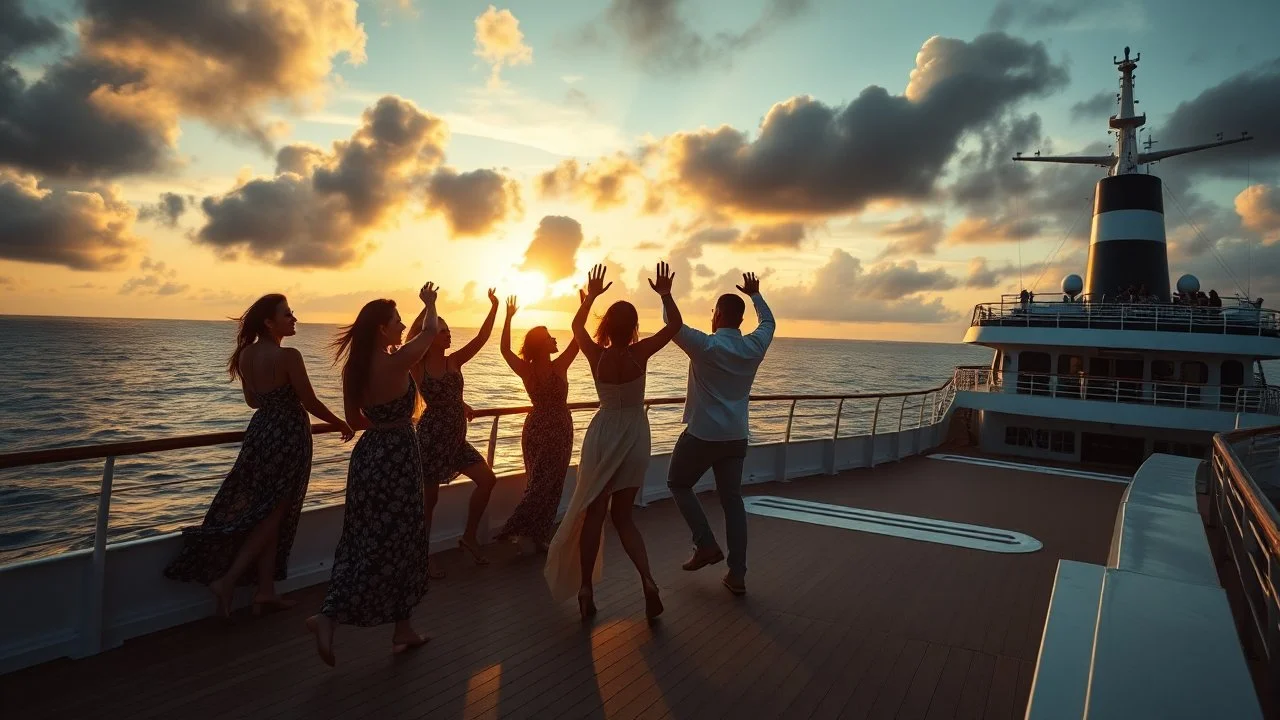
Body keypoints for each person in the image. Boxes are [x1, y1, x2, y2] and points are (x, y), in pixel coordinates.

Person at [164, 294, 353, 618]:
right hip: (288, 435)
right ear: (269, 321)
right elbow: (310, 402)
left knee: (267, 511)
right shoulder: (289, 356)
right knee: (276, 512)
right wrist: (340, 423)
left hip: (261, 432)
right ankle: (229, 580)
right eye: (287, 314)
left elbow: (253, 401)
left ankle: (265, 591)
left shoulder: (245, 355)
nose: (294, 318)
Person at [305, 284, 439, 667]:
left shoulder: (356, 367)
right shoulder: (393, 362)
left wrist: (380, 424)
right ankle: (336, 618)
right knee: (400, 539)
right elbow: (428, 334)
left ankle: (397, 626)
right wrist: (430, 304)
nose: (401, 327)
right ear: (382, 328)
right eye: (396, 321)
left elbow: (352, 420)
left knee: (363, 539)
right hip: (397, 454)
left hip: (368, 457)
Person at [544, 263, 682, 621]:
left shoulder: (596, 354)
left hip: (603, 433)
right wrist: (665, 294)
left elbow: (576, 327)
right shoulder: (641, 353)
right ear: (634, 327)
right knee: (624, 518)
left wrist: (589, 297)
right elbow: (675, 327)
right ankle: (648, 582)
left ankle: (586, 588)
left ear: (607, 326)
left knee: (594, 515)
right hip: (635, 435)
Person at [665, 273, 775, 596]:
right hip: (735, 436)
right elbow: (768, 322)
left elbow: (673, 326)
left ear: (721, 315)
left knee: (678, 483)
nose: (710, 317)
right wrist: (756, 295)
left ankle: (706, 544)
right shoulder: (753, 346)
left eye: (713, 311)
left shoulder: (706, 346)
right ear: (740, 319)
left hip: (702, 434)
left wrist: (666, 295)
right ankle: (737, 574)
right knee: (732, 501)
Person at [407, 289, 501, 571]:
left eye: (449, 331)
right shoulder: (417, 365)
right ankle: (420, 557)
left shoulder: (454, 361)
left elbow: (481, 339)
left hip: (457, 439)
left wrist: (494, 307)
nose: (449, 336)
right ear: (430, 334)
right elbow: (414, 335)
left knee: (487, 479)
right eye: (443, 331)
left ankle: (469, 536)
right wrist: (430, 305)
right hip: (431, 440)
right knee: (429, 500)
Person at [496, 294, 581, 554]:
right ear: (541, 345)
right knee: (544, 482)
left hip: (545, 427)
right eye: (549, 336)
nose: (554, 339)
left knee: (548, 482)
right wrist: (508, 318)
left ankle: (537, 535)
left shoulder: (538, 369)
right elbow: (505, 350)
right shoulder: (550, 368)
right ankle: (519, 529)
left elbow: (578, 340)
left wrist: (584, 306)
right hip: (549, 427)